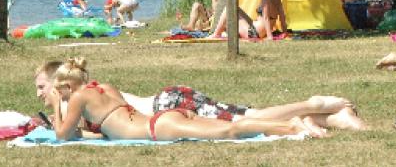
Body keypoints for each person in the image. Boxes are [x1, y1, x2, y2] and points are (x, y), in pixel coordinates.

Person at [34, 61, 366, 132]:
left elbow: (66, 135)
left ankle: (313, 104)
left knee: (248, 118)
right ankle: (330, 117)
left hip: (170, 106)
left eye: (41, 87)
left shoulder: (71, 99)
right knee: (247, 115)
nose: (39, 94)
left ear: (59, 84)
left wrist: (56, 113)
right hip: (170, 101)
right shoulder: (91, 89)